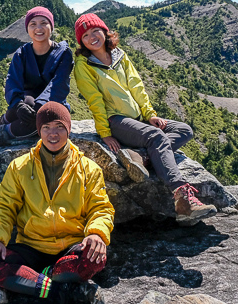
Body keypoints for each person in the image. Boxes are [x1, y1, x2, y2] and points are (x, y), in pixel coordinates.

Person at [72, 13, 216, 222]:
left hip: (138, 118)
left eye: (95, 31)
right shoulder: (84, 65)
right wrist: (104, 133)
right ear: (81, 42)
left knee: (184, 130)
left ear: (104, 31)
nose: (92, 37)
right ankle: (182, 198)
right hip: (116, 120)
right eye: (85, 35)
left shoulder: (120, 56)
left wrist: (150, 115)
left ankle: (144, 158)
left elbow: (137, 86)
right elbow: (95, 101)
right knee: (156, 138)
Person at [0, 102, 113, 304]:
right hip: (31, 246)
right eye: (46, 128)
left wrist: (96, 233)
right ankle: (58, 288)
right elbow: (4, 208)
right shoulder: (19, 167)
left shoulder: (89, 169)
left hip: (70, 245)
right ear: (39, 131)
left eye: (59, 126)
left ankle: (31, 280)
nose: (53, 134)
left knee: (96, 258)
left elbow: (100, 208)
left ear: (68, 129)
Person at [0, 6, 74, 154]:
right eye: (33, 24)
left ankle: (2, 133)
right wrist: (18, 103)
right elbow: (12, 82)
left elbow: (58, 85)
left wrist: (39, 107)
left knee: (45, 118)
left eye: (43, 23)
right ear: (27, 28)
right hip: (27, 102)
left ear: (51, 27)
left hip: (54, 102)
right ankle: (2, 121)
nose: (38, 28)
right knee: (26, 102)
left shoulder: (64, 54)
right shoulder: (22, 53)